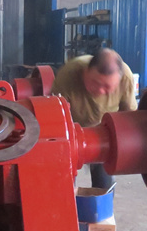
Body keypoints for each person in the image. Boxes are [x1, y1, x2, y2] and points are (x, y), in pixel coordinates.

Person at [51, 49, 137, 190]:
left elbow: (129, 116)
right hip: (71, 133)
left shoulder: (125, 77)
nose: (100, 90)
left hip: (105, 135)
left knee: (104, 186)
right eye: (95, 83)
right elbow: (55, 116)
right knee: (65, 185)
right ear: (86, 72)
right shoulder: (68, 75)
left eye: (107, 87)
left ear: (118, 81)